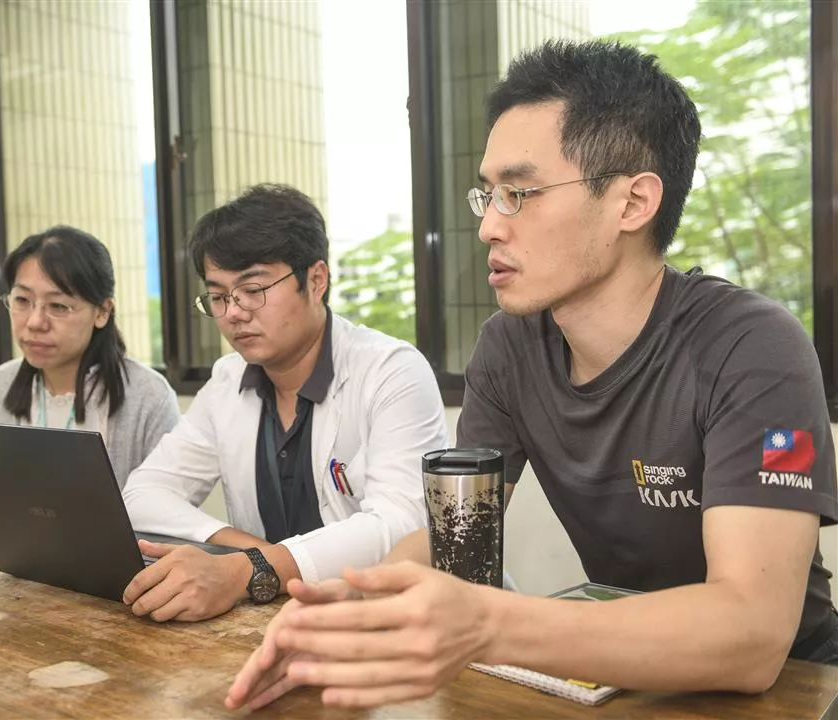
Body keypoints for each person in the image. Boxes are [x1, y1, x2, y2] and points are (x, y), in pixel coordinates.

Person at [225, 39, 838, 711]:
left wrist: (491, 624)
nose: (489, 226)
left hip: (797, 687)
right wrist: (354, 608)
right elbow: (454, 537)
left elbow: (753, 634)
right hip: (623, 679)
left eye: (519, 194)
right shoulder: (509, 348)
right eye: (487, 195)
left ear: (633, 203)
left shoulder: (752, 346)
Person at [120, 183, 449, 622]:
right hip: (277, 619)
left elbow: (403, 524)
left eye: (253, 289)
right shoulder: (227, 381)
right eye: (218, 297)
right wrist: (253, 554)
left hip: (395, 621)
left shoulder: (391, 371)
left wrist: (249, 569)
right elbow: (143, 495)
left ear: (316, 280)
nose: (234, 312)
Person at [0, 225, 180, 488]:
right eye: (22, 301)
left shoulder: (148, 397)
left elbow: (168, 504)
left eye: (58, 306)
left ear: (102, 312)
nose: (35, 322)